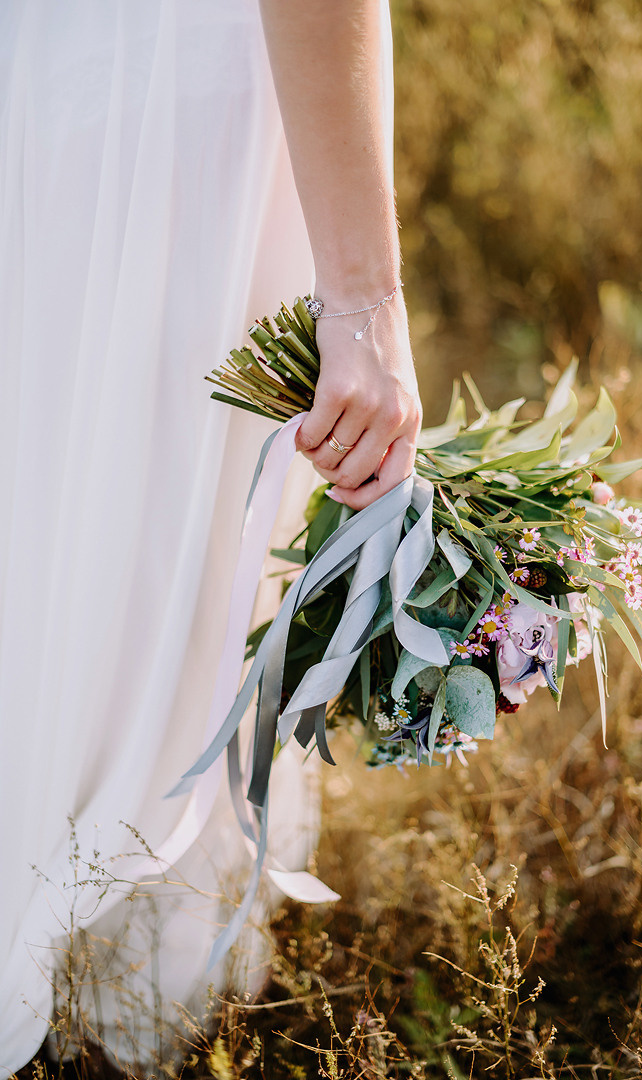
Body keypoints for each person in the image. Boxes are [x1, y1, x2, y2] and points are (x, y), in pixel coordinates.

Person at [0, 0, 421, 1073]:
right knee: (157, 571)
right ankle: (112, 977)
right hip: (176, 134)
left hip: (38, 87)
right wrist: (365, 302)